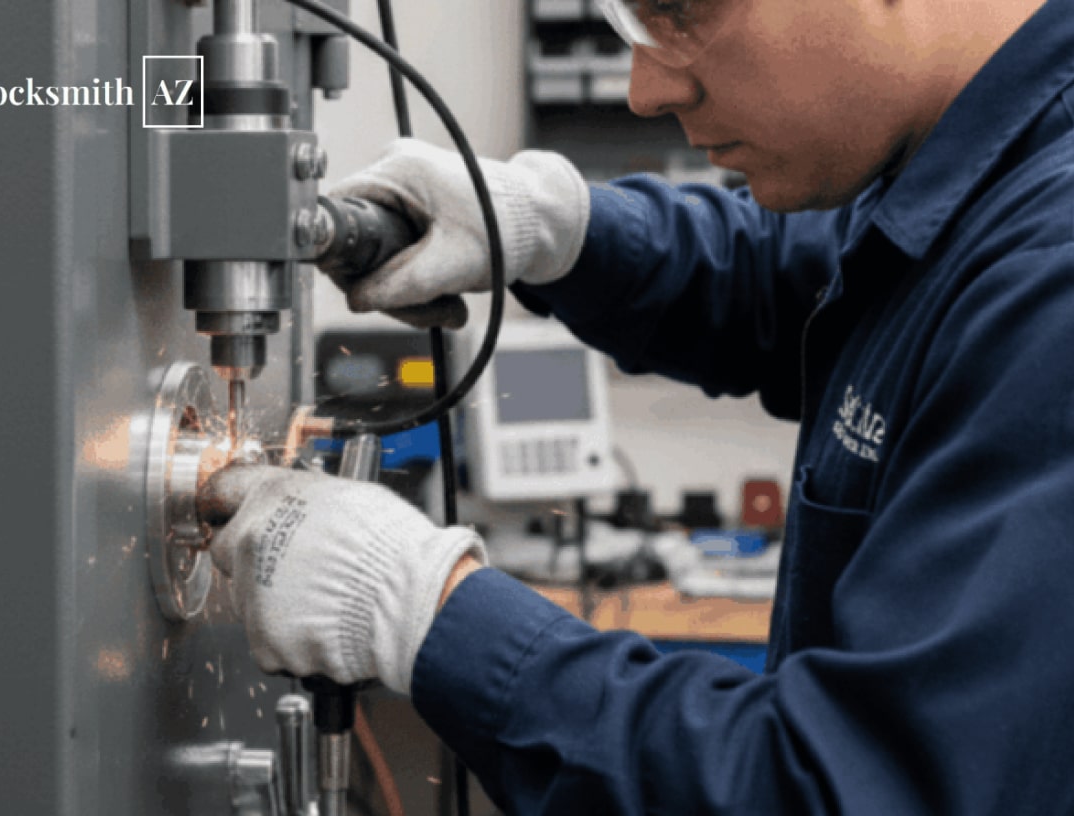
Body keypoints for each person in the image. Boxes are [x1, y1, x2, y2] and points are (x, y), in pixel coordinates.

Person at [207, 0, 1074, 811]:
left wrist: (425, 611)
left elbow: (836, 790)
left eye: (682, 7)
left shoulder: (1052, 281)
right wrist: (559, 231)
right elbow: (798, 276)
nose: (646, 87)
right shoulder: (976, 168)